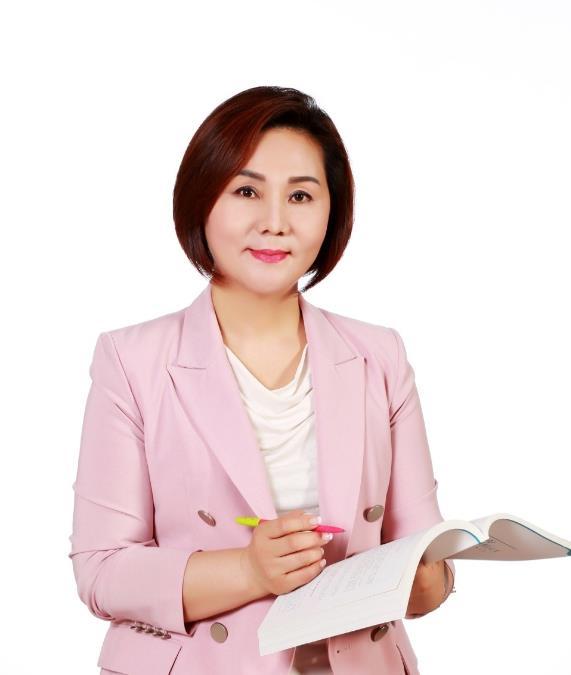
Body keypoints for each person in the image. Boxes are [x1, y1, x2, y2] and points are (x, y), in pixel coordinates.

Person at [68, 85, 455, 675]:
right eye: (246, 191)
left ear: (332, 212)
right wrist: (250, 570)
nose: (274, 223)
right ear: (202, 199)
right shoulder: (131, 360)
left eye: (301, 195)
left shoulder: (380, 356)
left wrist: (430, 583)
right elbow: (101, 570)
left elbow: (426, 559)